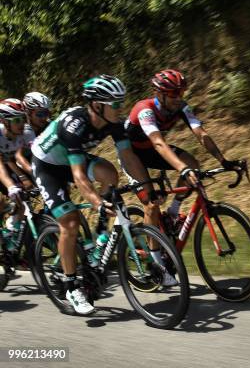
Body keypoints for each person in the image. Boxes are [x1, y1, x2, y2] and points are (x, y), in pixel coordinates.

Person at [31, 75, 150, 315]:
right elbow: (78, 176)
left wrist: (146, 187)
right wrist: (96, 202)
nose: (120, 109)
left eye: (121, 103)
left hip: (71, 160)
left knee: (110, 174)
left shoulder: (113, 123)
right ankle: (71, 286)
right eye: (115, 104)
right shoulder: (74, 125)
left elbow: (129, 157)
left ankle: (100, 238)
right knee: (70, 222)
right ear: (97, 105)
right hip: (48, 165)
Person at [124, 69, 242, 248]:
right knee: (152, 205)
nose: (179, 97)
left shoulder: (180, 107)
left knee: (193, 164)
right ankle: (153, 261)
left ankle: (172, 213)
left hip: (152, 150)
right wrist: (182, 168)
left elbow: (201, 133)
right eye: (174, 93)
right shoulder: (145, 109)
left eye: (181, 92)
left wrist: (223, 160)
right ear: (159, 94)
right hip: (131, 155)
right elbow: (158, 142)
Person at [0, 99, 36, 247]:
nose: (22, 124)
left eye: (23, 118)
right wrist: (10, 186)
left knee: (22, 202)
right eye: (17, 120)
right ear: (5, 122)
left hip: (7, 163)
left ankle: (10, 232)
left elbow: (38, 156)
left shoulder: (27, 132)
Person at [16, 91, 52, 175]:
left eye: (46, 113)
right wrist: (35, 173)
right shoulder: (21, 130)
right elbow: (18, 156)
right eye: (40, 114)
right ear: (28, 113)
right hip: (19, 168)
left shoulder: (48, 125)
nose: (44, 118)